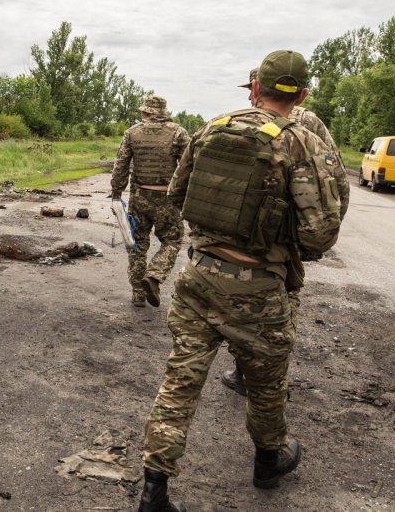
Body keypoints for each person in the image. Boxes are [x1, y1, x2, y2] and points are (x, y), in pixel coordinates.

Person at [138, 51, 346, 512]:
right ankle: (269, 461)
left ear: (255, 88)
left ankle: (154, 490)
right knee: (266, 384)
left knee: (180, 380)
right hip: (260, 289)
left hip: (198, 278)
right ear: (302, 96)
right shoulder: (303, 143)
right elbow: (321, 234)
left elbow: (177, 194)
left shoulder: (212, 128)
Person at [219, 69, 350, 395]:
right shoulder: (309, 122)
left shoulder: (241, 121)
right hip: (286, 238)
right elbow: (338, 181)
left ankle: (251, 374)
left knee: (243, 302)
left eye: (251, 89)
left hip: (246, 235)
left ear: (258, 88)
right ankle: (264, 376)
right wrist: (317, 239)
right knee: (281, 301)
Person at [109, 95, 190, 307]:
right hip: (167, 199)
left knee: (137, 245)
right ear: (162, 112)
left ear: (146, 111)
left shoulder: (132, 133)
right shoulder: (178, 133)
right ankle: (154, 275)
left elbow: (120, 165)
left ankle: (138, 293)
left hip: (139, 198)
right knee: (172, 240)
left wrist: (116, 194)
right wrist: (185, 195)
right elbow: (189, 166)